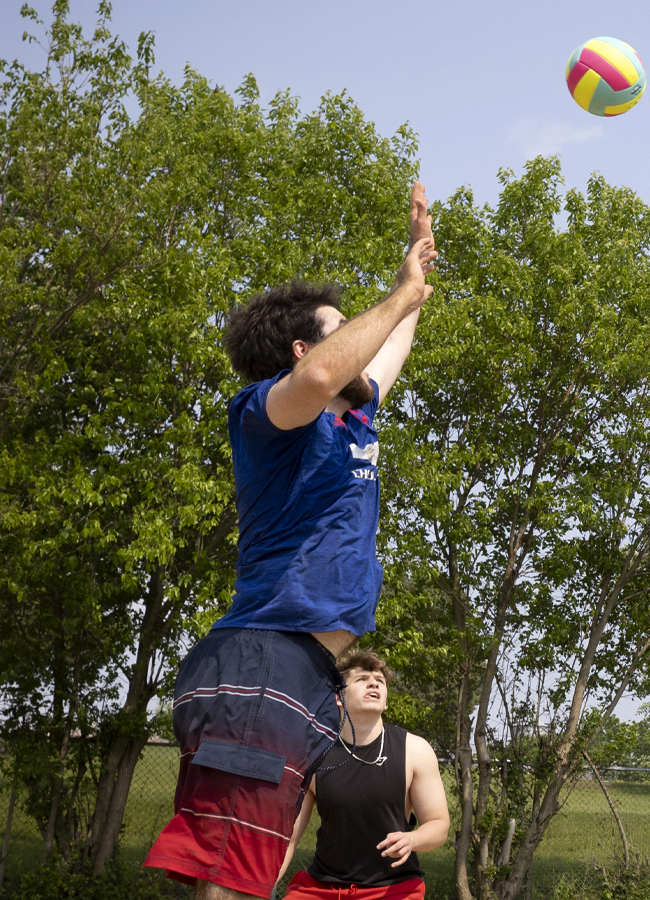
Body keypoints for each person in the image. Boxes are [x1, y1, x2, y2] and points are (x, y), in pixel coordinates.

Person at [144, 183, 439, 900]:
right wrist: (395, 300)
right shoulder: (267, 410)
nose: (360, 340)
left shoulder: (353, 420)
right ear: (309, 345)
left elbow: (385, 352)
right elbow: (319, 373)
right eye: (346, 329)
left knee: (260, 870)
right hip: (264, 662)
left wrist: (414, 281)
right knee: (232, 878)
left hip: (303, 673)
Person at [280, 650, 450, 900]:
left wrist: (412, 840)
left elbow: (438, 825)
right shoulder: (314, 755)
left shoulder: (415, 750)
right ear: (339, 696)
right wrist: (260, 890)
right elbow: (288, 838)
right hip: (322, 889)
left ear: (386, 699)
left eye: (379, 681)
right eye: (361, 679)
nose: (374, 683)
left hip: (394, 889)